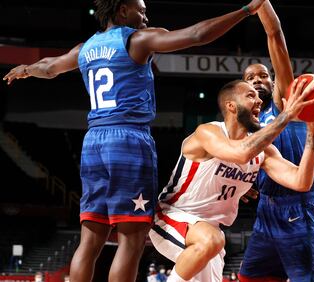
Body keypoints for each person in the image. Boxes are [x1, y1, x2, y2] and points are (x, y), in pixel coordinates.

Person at [2, 0, 267, 281]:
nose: (145, 16)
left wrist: (27, 69)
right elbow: (197, 35)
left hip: (93, 142)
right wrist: (245, 11)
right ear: (121, 11)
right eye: (140, 10)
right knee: (131, 240)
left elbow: (50, 67)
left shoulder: (85, 48)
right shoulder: (137, 39)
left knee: (90, 240)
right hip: (128, 140)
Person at [149, 78, 314, 282]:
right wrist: (286, 115)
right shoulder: (207, 132)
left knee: (213, 239)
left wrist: (312, 132)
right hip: (173, 216)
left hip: (210, 232)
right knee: (212, 239)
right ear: (231, 106)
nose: (259, 100)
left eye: (259, 96)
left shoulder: (264, 152)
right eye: (251, 95)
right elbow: (240, 153)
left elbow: (301, 182)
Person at [238, 1, 314, 281]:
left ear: (275, 83)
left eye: (263, 75)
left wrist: (261, 5)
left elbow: (276, 38)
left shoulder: (285, 104)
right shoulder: (248, 125)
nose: (257, 80)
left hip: (298, 205)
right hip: (266, 209)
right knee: (250, 277)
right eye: (250, 78)